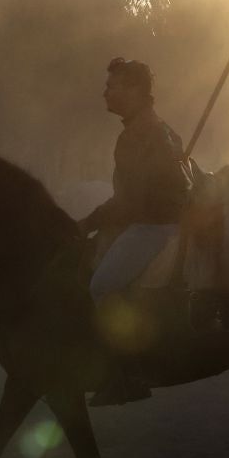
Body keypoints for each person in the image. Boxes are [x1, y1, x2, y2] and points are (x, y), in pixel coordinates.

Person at [79, 57, 191, 403]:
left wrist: (86, 223)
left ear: (135, 90)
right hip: (153, 222)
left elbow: (128, 201)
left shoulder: (140, 135)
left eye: (111, 86)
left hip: (153, 227)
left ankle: (125, 374)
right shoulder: (159, 128)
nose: (105, 94)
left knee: (102, 286)